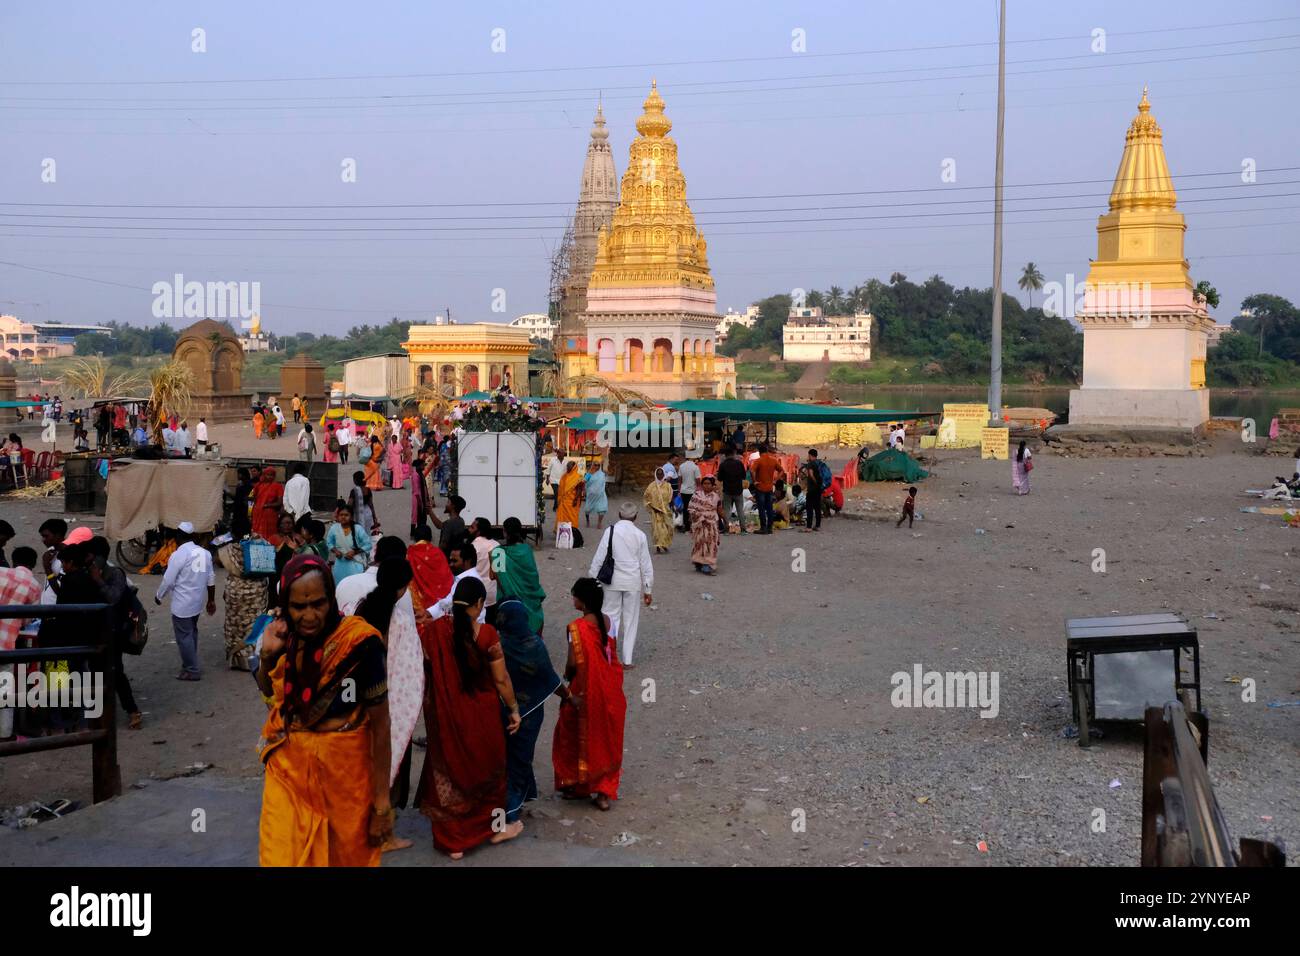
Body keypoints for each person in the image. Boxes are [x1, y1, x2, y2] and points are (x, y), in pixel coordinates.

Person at [256, 555, 393, 866]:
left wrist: (381, 805)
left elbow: (381, 725)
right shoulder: (283, 638)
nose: (310, 615)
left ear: (331, 599)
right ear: (285, 604)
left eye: (318, 604)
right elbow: (270, 695)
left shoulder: (359, 645)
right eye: (299, 607)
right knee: (278, 857)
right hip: (288, 772)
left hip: (344, 774)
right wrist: (266, 659)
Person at [416, 576, 522, 858]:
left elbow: (425, 666)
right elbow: (501, 681)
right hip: (482, 717)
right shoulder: (487, 635)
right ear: (478, 604)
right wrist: (514, 709)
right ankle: (496, 828)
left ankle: (453, 843)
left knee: (448, 773)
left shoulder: (436, 631)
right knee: (490, 772)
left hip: (447, 715)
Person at [347, 552, 421, 843]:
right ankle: (384, 835)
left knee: (363, 763)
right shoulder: (400, 621)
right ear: (402, 588)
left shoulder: (360, 609)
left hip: (356, 702)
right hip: (386, 706)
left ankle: (358, 825)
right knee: (388, 766)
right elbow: (409, 670)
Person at [553, 577, 626, 811]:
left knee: (572, 733)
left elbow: (572, 663)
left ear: (582, 601)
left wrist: (565, 680)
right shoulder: (608, 622)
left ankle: (577, 783)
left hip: (585, 688)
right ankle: (603, 792)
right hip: (609, 688)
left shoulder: (577, 628)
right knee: (605, 738)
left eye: (574, 595)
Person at [496, 598, 566, 826]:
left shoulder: (496, 645)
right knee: (522, 756)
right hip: (531, 712)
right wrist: (571, 698)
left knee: (508, 755)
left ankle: (517, 797)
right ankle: (511, 811)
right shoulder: (534, 645)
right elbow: (550, 678)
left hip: (502, 709)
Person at [587, 501, 653, 668]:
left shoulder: (611, 531)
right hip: (632, 582)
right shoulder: (640, 535)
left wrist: (592, 578)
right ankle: (627, 660)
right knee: (631, 620)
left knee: (610, 617)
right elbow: (646, 563)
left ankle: (609, 656)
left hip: (612, 581)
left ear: (619, 515)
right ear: (636, 517)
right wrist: (648, 588)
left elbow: (599, 557)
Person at [154, 521, 217, 681]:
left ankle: (192, 669)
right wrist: (211, 600)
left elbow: (168, 580)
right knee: (191, 633)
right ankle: (189, 665)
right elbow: (211, 579)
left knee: (184, 637)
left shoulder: (179, 554)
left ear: (178, 537)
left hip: (182, 604)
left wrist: (159, 596)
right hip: (197, 602)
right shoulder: (205, 553)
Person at [216, 532, 269, 672]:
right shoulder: (262, 545)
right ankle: (253, 658)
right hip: (257, 592)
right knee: (254, 624)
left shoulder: (229, 551)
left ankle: (238, 659)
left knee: (236, 627)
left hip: (236, 592)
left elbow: (219, 561)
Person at [489, 516, 546, 635]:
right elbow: (532, 576)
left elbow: (493, 576)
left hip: (509, 601)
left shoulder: (497, 552)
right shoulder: (527, 549)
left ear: (505, 532)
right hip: (530, 599)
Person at [407, 525, 455, 612]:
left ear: (414, 538)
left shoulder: (410, 554)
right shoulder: (438, 552)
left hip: (421, 603)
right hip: (441, 602)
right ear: (430, 537)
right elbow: (446, 575)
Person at [688, 474, 725, 574]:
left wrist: (726, 521)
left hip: (711, 525)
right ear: (701, 484)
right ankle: (698, 562)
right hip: (699, 524)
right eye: (704, 483)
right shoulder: (696, 495)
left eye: (709, 484)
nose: (706, 486)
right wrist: (699, 517)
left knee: (710, 544)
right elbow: (691, 508)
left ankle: (707, 565)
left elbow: (719, 510)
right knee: (699, 543)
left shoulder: (716, 497)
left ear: (713, 485)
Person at [326, 504, 371, 582]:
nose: (343, 517)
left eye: (346, 515)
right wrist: (335, 551)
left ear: (351, 517)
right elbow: (329, 542)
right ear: (338, 516)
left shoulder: (358, 529)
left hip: (355, 563)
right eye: (341, 515)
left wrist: (354, 552)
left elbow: (368, 544)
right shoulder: (334, 528)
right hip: (340, 564)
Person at [643, 467, 674, 553]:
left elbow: (670, 497)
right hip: (655, 512)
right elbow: (646, 497)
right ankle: (658, 546)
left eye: (661, 474)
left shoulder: (668, 486)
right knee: (657, 529)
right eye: (658, 474)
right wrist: (653, 508)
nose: (660, 475)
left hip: (666, 511)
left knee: (668, 528)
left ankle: (664, 544)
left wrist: (671, 506)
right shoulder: (651, 486)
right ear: (656, 474)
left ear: (664, 474)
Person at [752, 444, 780, 534]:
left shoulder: (758, 461)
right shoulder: (773, 460)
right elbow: (781, 470)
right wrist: (775, 480)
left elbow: (752, 470)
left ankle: (763, 528)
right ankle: (770, 528)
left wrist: (755, 481)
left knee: (761, 508)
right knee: (769, 508)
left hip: (760, 487)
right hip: (769, 487)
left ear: (759, 452)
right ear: (767, 451)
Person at [251, 467, 284, 539]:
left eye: (272, 475)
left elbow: (280, 502)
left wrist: (267, 505)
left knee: (271, 537)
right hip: (257, 514)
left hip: (270, 515)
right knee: (257, 536)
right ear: (264, 475)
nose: (270, 477)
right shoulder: (258, 485)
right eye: (268, 475)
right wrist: (250, 513)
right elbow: (251, 499)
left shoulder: (278, 486)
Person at [555, 459, 583, 538]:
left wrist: (575, 499)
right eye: (567, 467)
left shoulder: (578, 478)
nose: (567, 469)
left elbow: (579, 490)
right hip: (563, 502)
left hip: (572, 502)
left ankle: (573, 531)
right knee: (562, 518)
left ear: (573, 468)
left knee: (572, 518)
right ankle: (562, 531)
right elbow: (561, 489)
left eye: (569, 467)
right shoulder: (564, 476)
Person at [410, 450, 433, 538]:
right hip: (417, 499)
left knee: (421, 515)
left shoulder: (420, 474)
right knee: (417, 515)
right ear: (419, 466)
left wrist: (426, 499)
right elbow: (416, 491)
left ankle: (420, 531)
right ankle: (414, 533)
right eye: (423, 465)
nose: (424, 466)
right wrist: (420, 502)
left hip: (421, 497)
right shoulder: (416, 475)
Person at [349, 470, 379, 537]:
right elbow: (371, 504)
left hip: (357, 514)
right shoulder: (367, 490)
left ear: (355, 480)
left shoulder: (354, 491)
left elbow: (349, 505)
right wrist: (374, 518)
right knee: (368, 533)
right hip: (367, 513)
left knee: (358, 534)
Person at [677, 452, 701, 532]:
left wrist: (679, 490)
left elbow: (679, 480)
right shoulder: (695, 467)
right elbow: (698, 481)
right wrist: (699, 491)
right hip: (692, 491)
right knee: (693, 509)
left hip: (683, 491)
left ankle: (686, 526)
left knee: (685, 509)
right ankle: (693, 526)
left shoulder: (681, 466)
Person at [802, 451, 824, 532]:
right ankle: (818, 526)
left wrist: (815, 482)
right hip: (818, 490)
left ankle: (809, 527)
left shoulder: (811, 464)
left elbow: (811, 474)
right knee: (817, 508)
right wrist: (819, 485)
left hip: (812, 490)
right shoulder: (818, 463)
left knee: (809, 508)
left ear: (810, 455)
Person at [583, 460, 608, 529]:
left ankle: (599, 523)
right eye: (595, 465)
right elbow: (584, 482)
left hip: (601, 495)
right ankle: (588, 521)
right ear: (593, 465)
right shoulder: (589, 474)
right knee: (587, 510)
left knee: (602, 509)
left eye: (598, 465)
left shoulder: (602, 474)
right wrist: (584, 490)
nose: (597, 466)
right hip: (591, 495)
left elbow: (603, 483)